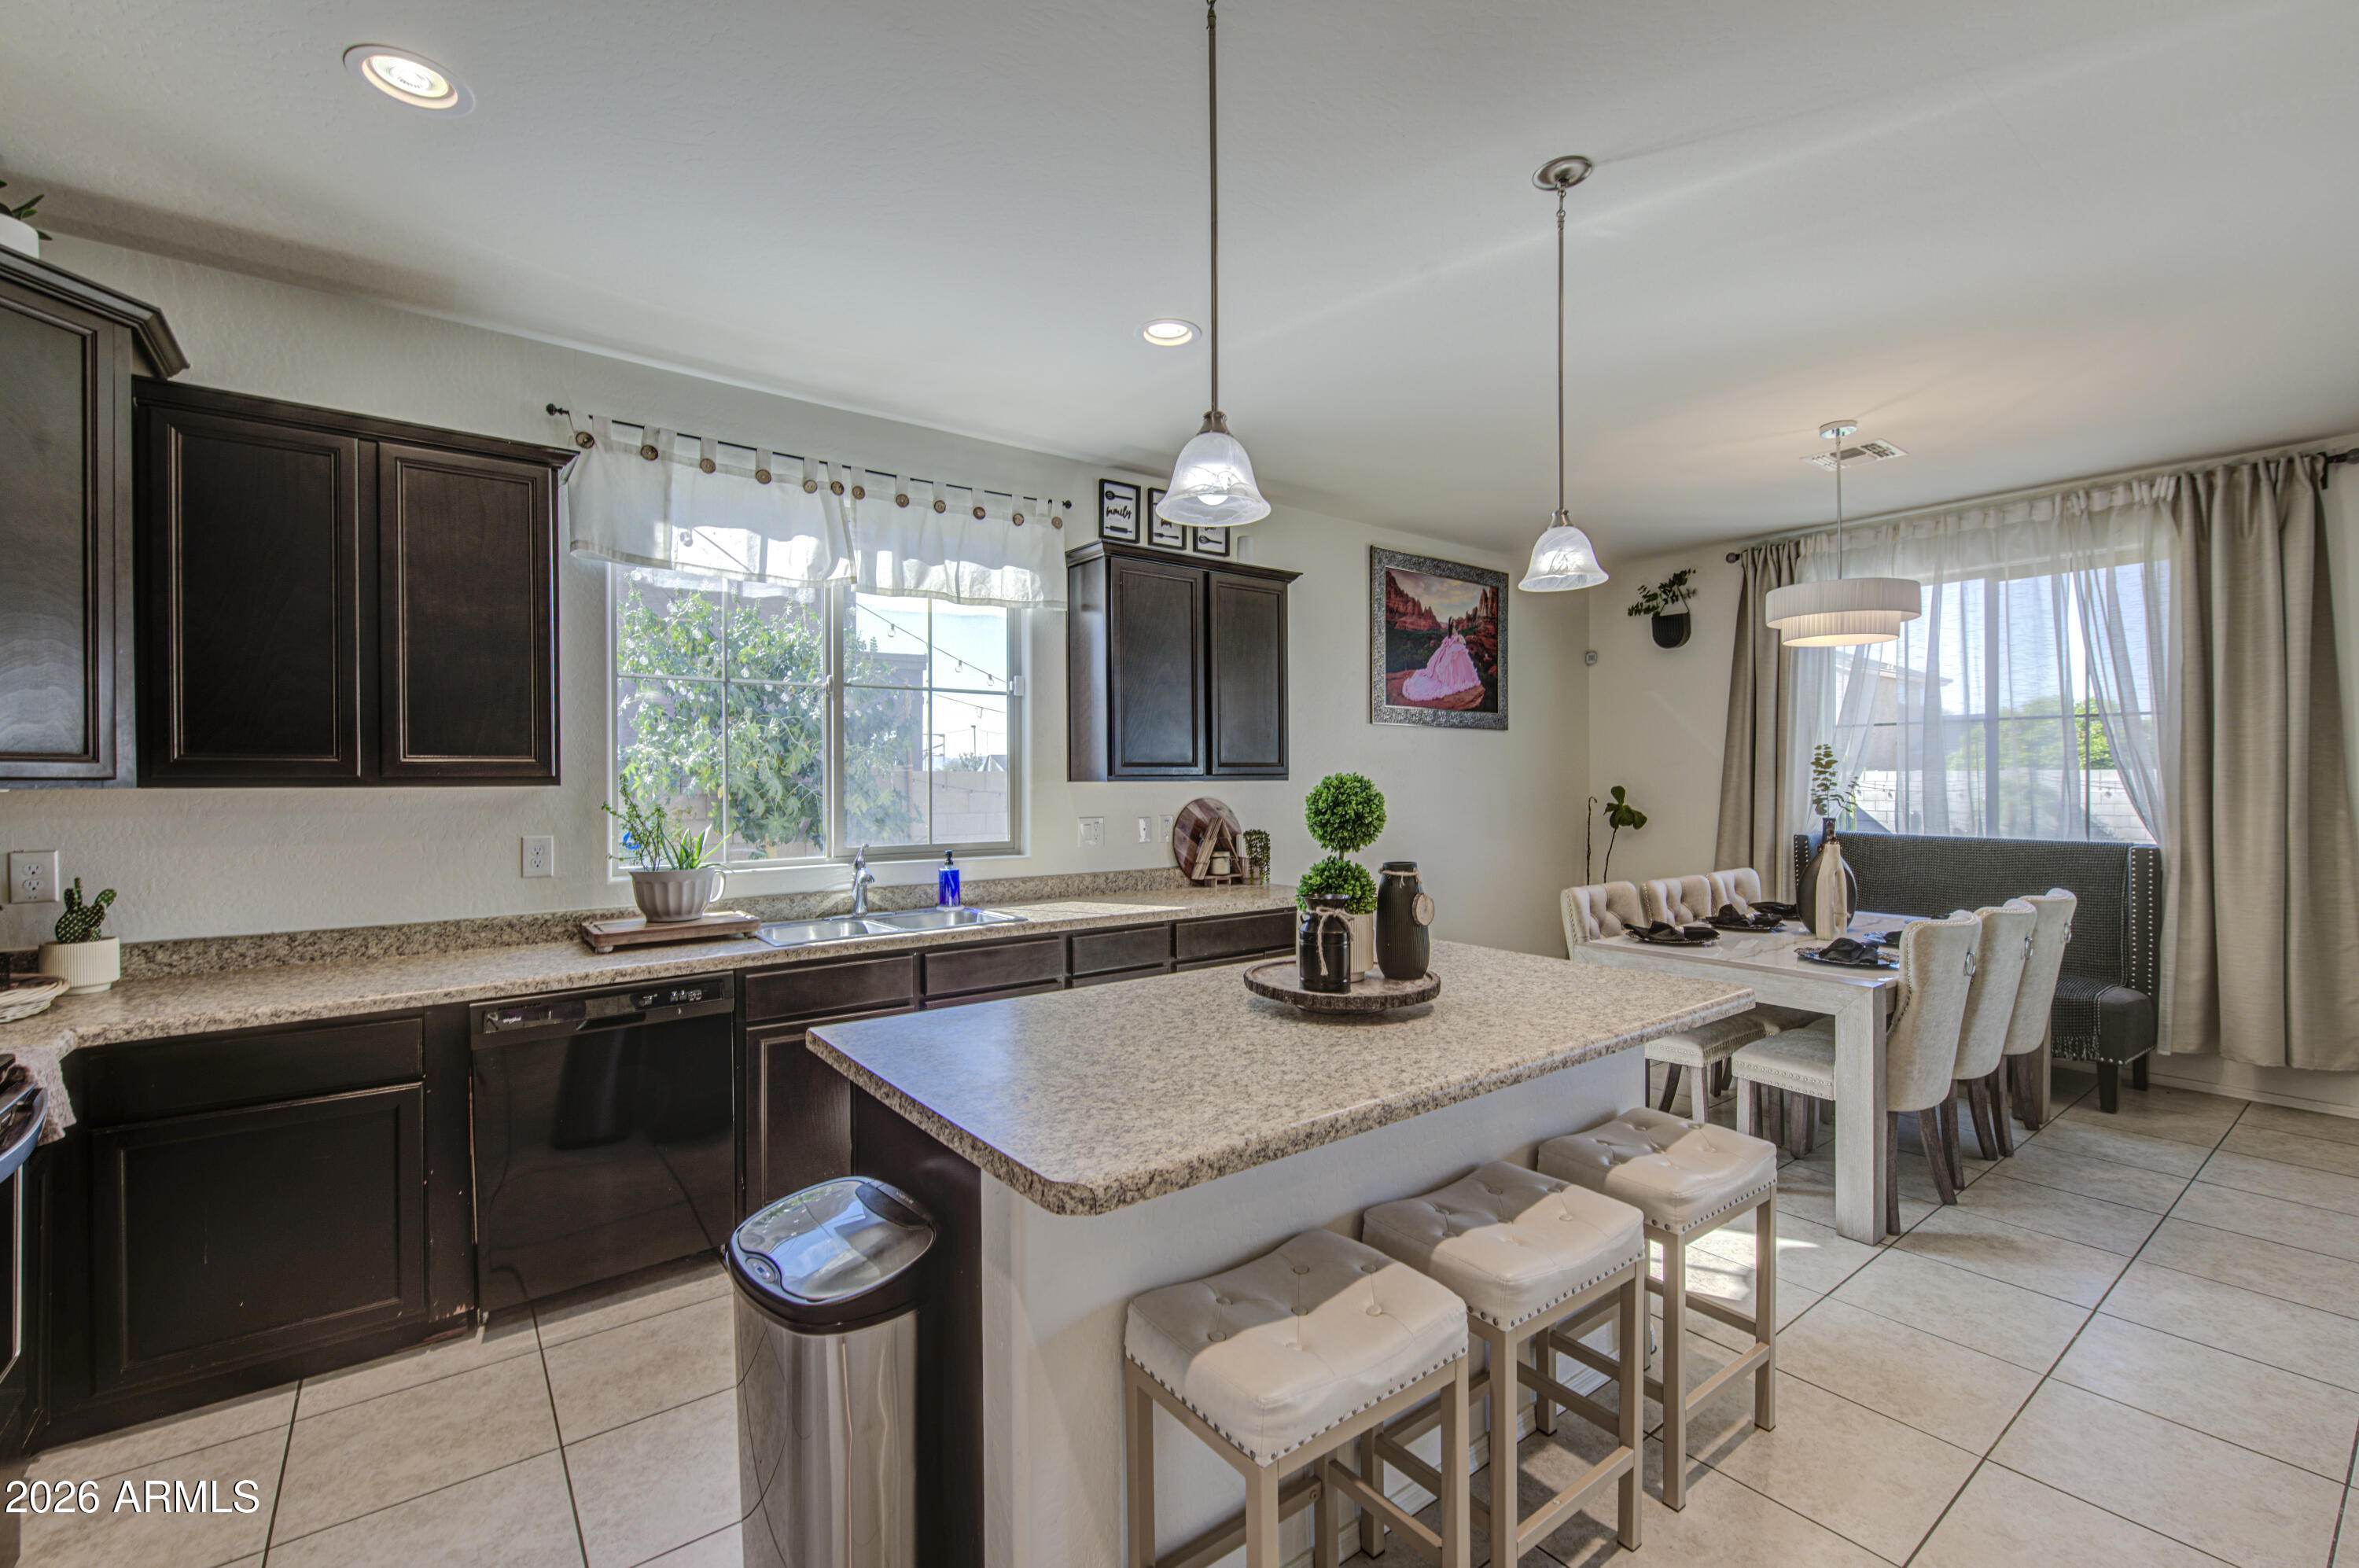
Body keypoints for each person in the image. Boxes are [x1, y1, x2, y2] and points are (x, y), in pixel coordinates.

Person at [1402, 631, 1482, 701]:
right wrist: (1458, 639)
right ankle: (1453, 680)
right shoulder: (1453, 634)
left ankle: (1456, 679)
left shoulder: (1453, 634)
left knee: (1457, 664)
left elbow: (1460, 641)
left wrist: (1457, 640)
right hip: (1452, 649)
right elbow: (1461, 642)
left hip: (1454, 648)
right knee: (1452, 666)